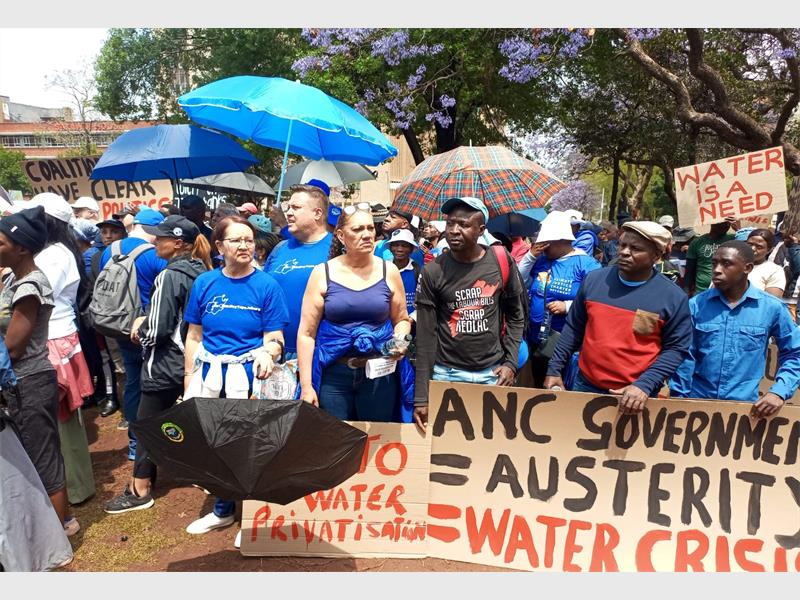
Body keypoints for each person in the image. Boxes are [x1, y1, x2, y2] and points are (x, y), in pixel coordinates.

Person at [182, 216, 288, 541]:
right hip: (211, 376)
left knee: (252, 446)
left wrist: (268, 352)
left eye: (249, 240)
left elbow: (276, 337)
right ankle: (223, 510)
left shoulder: (267, 285)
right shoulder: (205, 283)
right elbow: (194, 335)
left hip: (250, 377)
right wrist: (189, 380)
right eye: (236, 240)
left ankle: (253, 518)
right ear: (219, 246)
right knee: (217, 445)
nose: (244, 246)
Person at [104, 216, 210, 514]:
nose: (154, 242)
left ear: (178, 243)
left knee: (146, 424)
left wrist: (140, 331)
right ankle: (202, 475)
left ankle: (140, 490)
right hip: (192, 360)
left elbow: (160, 327)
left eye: (160, 238)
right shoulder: (201, 270)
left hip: (165, 361)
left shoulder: (170, 275)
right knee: (187, 420)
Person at [544, 221, 692, 414]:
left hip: (636, 396)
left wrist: (645, 385)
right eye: (622, 245)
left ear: (656, 255)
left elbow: (676, 348)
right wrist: (555, 368)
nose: (624, 252)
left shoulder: (673, 297)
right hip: (585, 385)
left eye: (635, 248)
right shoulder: (594, 281)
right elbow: (573, 328)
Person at [413, 197, 527, 429]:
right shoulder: (433, 271)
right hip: (448, 373)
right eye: (450, 223)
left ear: (481, 230)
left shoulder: (501, 261)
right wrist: (422, 396)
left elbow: (516, 316)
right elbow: (425, 336)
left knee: (489, 446)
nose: (454, 230)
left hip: (493, 374)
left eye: (464, 225)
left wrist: (510, 363)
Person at [0, 206, 78, 538]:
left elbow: (14, 346)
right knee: (33, 455)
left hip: (29, 380)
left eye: (0, 241)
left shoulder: (30, 286)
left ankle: (59, 536)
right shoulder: (13, 280)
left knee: (43, 458)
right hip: (19, 380)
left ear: (22, 247)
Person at [296, 203, 414, 422]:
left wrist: (400, 342)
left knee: (378, 441)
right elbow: (306, 334)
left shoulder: (389, 271)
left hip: (379, 373)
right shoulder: (323, 274)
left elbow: (402, 320)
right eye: (358, 229)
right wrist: (306, 386)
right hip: (334, 375)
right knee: (334, 442)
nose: (367, 234)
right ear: (341, 235)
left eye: (370, 228)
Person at [670, 241, 800, 417]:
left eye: (726, 263)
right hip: (695, 405)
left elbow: (794, 353)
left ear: (747, 268)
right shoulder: (696, 305)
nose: (716, 269)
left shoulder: (772, 308)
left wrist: (779, 391)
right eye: (714, 263)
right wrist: (679, 400)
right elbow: (684, 356)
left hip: (745, 410)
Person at [26, 193, 96, 509]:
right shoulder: (56, 251)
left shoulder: (52, 255)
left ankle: (74, 488)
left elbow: (36, 296)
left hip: (53, 339)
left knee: (63, 421)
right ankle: (71, 486)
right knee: (62, 420)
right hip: (57, 337)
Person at [99, 208, 168, 456]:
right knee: (153, 385)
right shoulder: (154, 255)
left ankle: (133, 442)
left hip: (116, 324)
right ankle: (152, 443)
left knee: (131, 381)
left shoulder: (110, 250)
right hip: (147, 327)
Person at [518, 211, 601, 387]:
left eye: (547, 244)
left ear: (563, 241)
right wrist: (530, 256)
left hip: (564, 341)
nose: (543, 247)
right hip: (536, 338)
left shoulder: (585, 264)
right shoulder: (541, 260)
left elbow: (597, 297)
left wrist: (568, 306)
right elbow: (519, 281)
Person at [265, 184, 333, 359]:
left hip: (319, 353)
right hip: (275, 352)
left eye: (296, 208)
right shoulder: (280, 249)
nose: (288, 213)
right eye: (288, 207)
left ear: (317, 213)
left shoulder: (336, 250)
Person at [684, 220, 734, 296]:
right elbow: (690, 269)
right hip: (702, 291)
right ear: (712, 222)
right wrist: (686, 290)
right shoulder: (697, 242)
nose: (727, 225)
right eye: (723, 222)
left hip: (726, 292)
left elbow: (747, 251)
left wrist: (739, 229)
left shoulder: (734, 239)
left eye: (728, 223)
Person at [387, 228, 422, 318]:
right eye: (396, 245)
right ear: (390, 248)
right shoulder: (383, 269)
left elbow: (423, 299)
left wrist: (411, 319)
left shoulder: (418, 271)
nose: (399, 249)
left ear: (411, 249)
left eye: (404, 246)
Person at [746, 228, 785, 297]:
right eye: (750, 244)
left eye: (759, 247)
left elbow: (771, 302)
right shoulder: (734, 264)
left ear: (769, 250)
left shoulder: (775, 271)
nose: (753, 249)